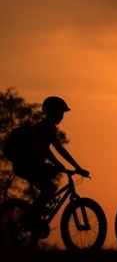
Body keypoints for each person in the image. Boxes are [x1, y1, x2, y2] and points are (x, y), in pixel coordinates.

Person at [11, 96, 90, 225]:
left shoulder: (50, 128)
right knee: (50, 187)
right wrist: (57, 163)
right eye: (60, 113)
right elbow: (44, 150)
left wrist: (78, 167)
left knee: (50, 180)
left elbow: (60, 149)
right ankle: (31, 217)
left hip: (32, 165)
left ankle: (37, 212)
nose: (62, 116)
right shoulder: (42, 127)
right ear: (52, 112)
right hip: (25, 165)